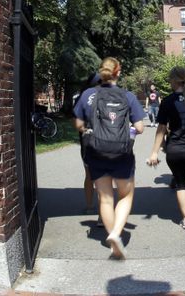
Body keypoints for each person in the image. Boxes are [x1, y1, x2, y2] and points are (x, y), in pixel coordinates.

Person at [73, 57, 146, 259]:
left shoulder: (88, 95)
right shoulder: (128, 96)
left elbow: (78, 124)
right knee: (125, 196)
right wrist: (127, 131)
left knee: (105, 199)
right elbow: (139, 128)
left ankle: (111, 235)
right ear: (118, 72)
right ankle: (116, 233)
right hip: (122, 154)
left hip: (96, 152)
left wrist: (89, 128)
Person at [146, 66, 185, 239]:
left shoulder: (167, 101)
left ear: (174, 80)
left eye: (169, 79)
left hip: (174, 150)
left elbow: (161, 128)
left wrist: (154, 153)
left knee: (181, 185)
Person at [73, 72, 101, 215]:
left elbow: (78, 124)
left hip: (88, 141)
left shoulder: (83, 96)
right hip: (109, 141)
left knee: (89, 175)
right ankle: (104, 216)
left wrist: (85, 130)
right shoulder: (114, 94)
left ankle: (90, 206)